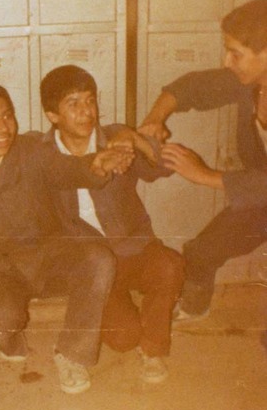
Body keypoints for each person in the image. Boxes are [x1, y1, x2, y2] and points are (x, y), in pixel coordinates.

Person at [0, 80, 131, 395]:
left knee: (98, 258)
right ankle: (10, 340)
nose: (3, 128)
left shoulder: (29, 151)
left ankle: (73, 354)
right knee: (1, 321)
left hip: (46, 258)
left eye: (7, 116)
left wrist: (96, 165)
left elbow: (65, 169)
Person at [39, 65, 185, 383]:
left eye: (90, 100)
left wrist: (136, 138)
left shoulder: (116, 135)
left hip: (135, 248)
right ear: (52, 115)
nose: (86, 111)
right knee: (122, 338)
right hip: (92, 264)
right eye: (73, 104)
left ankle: (154, 349)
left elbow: (163, 168)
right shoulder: (40, 151)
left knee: (170, 265)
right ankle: (131, 321)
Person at [140, 0, 267, 321]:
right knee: (203, 250)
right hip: (259, 195)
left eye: (236, 53)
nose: (227, 62)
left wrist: (204, 174)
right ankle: (195, 307)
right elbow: (193, 87)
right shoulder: (251, 84)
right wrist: (155, 118)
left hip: (260, 189)